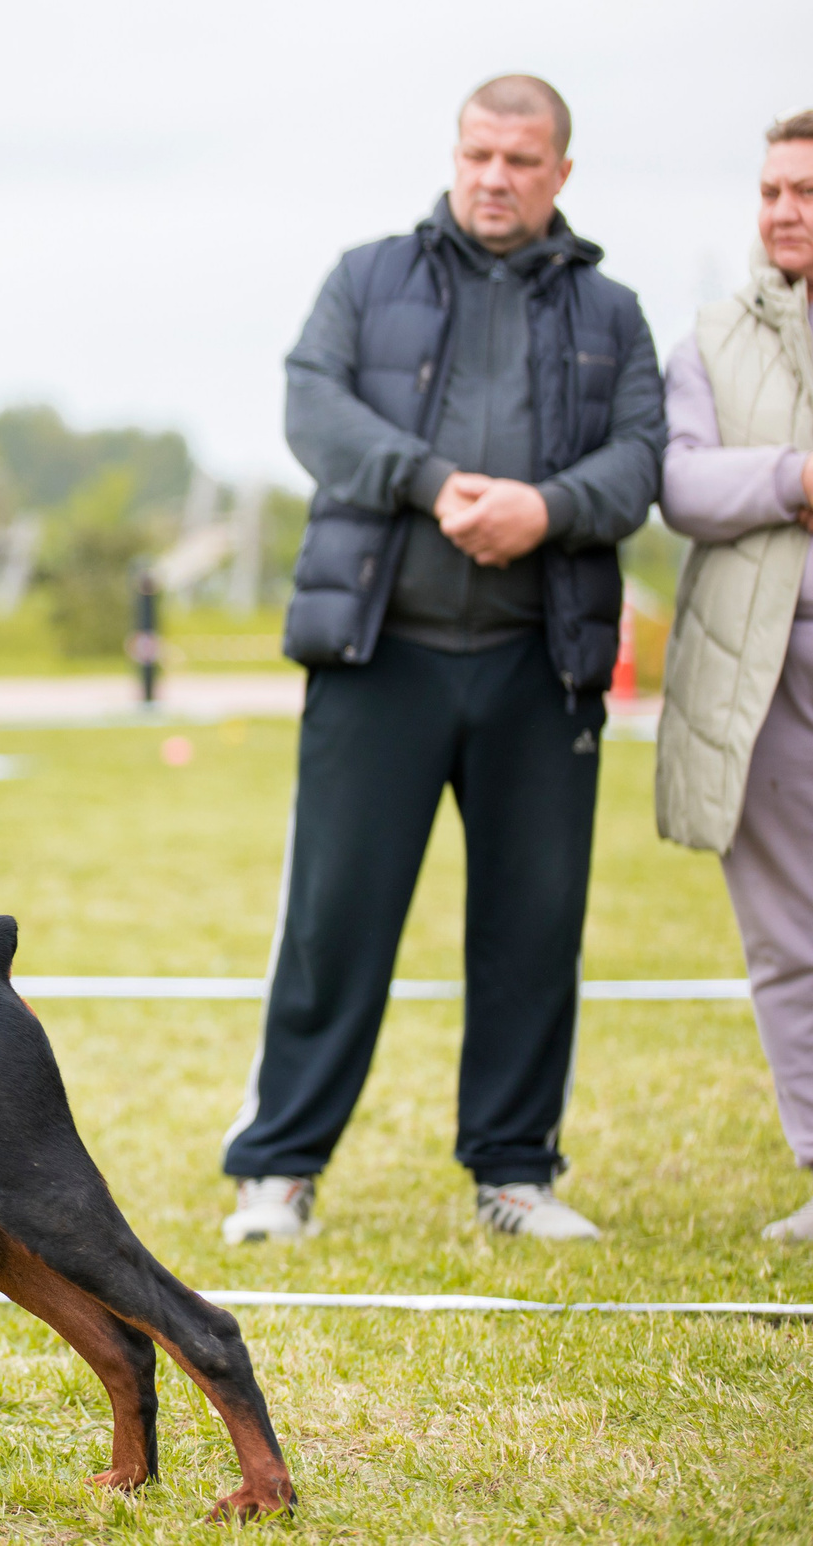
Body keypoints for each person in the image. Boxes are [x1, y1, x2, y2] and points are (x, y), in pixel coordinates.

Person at [223, 75, 665, 1244]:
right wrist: (430, 482)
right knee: (333, 919)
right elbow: (311, 409)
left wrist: (546, 507)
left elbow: (638, 461)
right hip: (382, 655)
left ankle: (514, 1176)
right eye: (478, 153)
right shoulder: (366, 277)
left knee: (533, 927)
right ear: (454, 152)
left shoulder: (612, 312)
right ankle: (278, 1171)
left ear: (560, 172)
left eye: (522, 160)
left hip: (539, 666)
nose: (495, 177)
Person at [655, 109, 813, 1244]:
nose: (781, 210)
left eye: (802, 191)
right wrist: (798, 475)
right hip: (754, 675)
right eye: (769, 190)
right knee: (785, 943)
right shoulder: (710, 335)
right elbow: (684, 486)